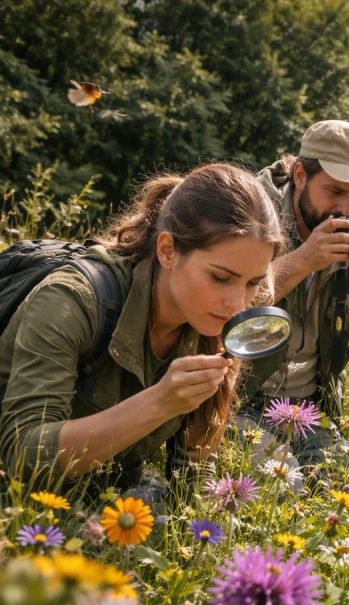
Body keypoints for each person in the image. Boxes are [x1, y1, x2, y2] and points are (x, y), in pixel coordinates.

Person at [0, 163, 286, 500]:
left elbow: (191, 472)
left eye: (252, 283)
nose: (237, 302)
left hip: (105, 503)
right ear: (167, 250)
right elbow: (22, 455)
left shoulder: (209, 326)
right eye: (220, 278)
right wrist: (159, 403)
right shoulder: (73, 300)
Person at [238, 120, 349, 474]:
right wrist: (303, 261)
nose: (347, 208)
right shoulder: (248, 214)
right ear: (300, 175)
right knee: (282, 486)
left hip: (307, 408)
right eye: (335, 191)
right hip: (239, 400)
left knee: (346, 488)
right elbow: (223, 308)